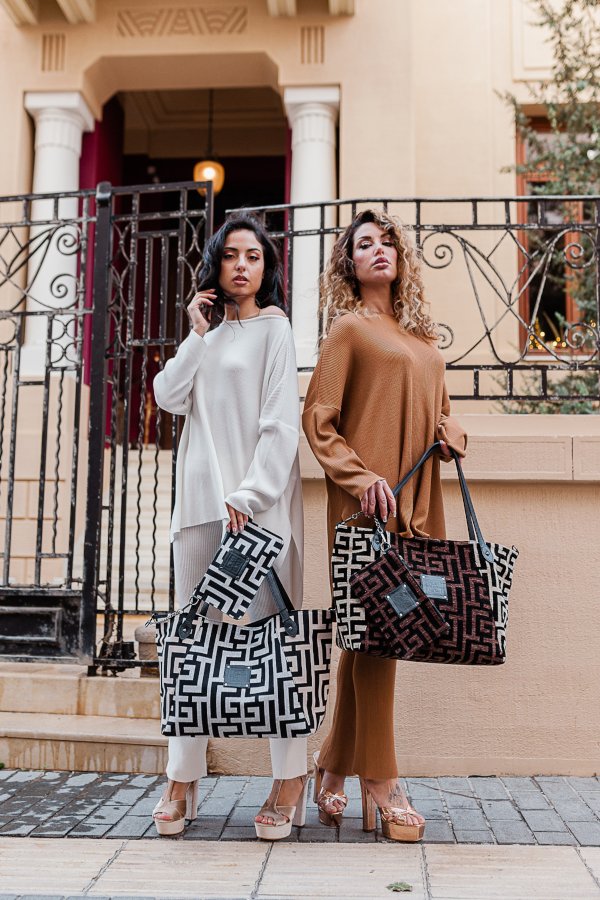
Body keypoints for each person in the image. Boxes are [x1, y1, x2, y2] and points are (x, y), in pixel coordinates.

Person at [302, 209, 467, 843]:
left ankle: (332, 766)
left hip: (413, 505)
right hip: (365, 508)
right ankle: (383, 780)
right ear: (349, 263)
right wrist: (359, 477)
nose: (379, 250)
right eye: (364, 243)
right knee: (377, 634)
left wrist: (451, 435)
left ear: (401, 256)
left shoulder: (422, 338)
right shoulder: (349, 329)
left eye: (387, 241)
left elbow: (441, 414)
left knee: (372, 635)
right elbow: (318, 419)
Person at [152, 212, 307, 840]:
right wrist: (196, 333)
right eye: (231, 255)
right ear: (216, 265)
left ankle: (288, 778)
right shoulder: (207, 336)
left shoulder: (276, 329)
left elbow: (280, 422)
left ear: (267, 269)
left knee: (275, 641)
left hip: (257, 511)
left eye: (254, 256)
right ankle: (181, 779)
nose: (241, 265)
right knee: (194, 642)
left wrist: (251, 492)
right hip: (199, 507)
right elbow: (168, 395)